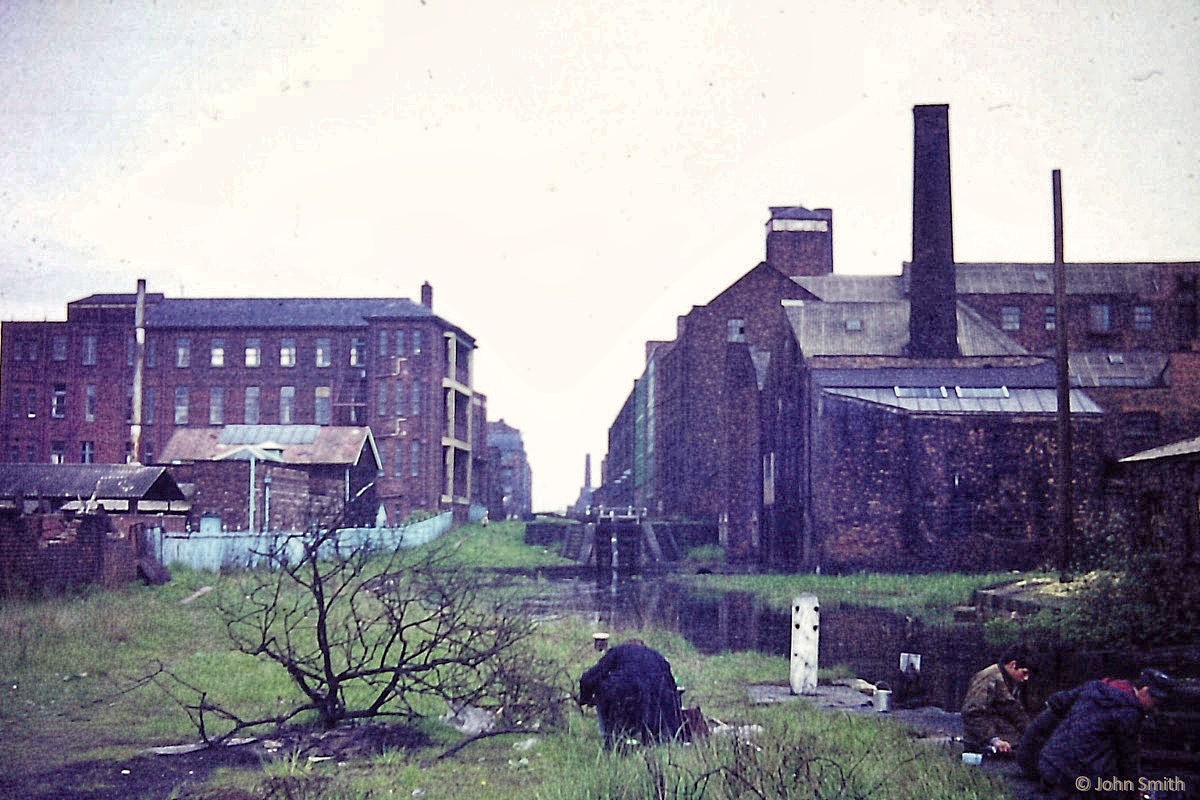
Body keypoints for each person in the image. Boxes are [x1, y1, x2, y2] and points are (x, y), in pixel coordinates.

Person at [1027, 668, 1176, 798]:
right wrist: (1134, 791)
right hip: (1073, 777)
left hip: (1049, 761)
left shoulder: (1096, 687)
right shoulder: (1130, 714)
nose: (1155, 708)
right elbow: (1127, 759)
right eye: (1156, 701)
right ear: (1144, 690)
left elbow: (1058, 701)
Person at [578, 638, 683, 749]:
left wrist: (585, 698)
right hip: (653, 705)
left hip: (621, 694)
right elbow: (673, 690)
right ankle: (652, 742)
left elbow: (590, 678)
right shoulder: (658, 657)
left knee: (604, 690)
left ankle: (610, 740)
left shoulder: (618, 651)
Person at [961, 645, 1034, 755]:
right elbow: (972, 712)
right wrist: (994, 740)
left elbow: (1016, 714)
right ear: (1013, 665)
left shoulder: (1009, 680)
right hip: (985, 746)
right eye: (1024, 673)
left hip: (1009, 743)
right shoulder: (988, 678)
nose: (1025, 678)